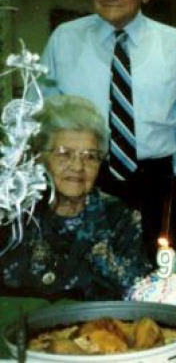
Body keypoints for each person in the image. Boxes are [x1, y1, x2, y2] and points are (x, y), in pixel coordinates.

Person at [40, 0, 176, 258]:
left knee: (154, 286)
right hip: (82, 181)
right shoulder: (65, 39)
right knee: (82, 280)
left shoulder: (175, 45)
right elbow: (44, 120)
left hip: (154, 187)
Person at [0, 95, 153, 300]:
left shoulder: (120, 218)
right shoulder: (15, 214)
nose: (78, 166)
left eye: (90, 156)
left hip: (100, 328)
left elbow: (141, 292)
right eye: (64, 153)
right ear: (40, 156)